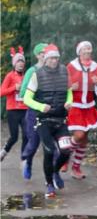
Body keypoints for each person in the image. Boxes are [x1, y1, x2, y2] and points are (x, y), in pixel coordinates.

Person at [22, 44, 74, 199]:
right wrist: (40, 106)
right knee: (49, 151)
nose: (54, 61)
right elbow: (26, 98)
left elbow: (70, 92)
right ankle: (49, 184)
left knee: (66, 150)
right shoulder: (36, 75)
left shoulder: (65, 71)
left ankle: (55, 171)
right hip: (43, 121)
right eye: (51, 58)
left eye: (56, 58)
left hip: (60, 120)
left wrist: (69, 102)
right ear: (45, 58)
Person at [66, 40, 97, 178]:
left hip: (89, 106)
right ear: (79, 52)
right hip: (75, 106)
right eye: (85, 49)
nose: (87, 51)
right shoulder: (71, 66)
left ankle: (76, 167)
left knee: (84, 140)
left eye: (89, 48)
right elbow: (63, 86)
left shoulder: (95, 67)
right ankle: (64, 155)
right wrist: (71, 88)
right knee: (79, 135)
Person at [18, 42, 48, 180]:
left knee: (51, 144)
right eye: (42, 53)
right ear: (37, 55)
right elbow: (23, 92)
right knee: (34, 142)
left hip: (49, 111)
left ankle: (54, 173)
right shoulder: (32, 71)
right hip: (33, 111)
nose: (45, 55)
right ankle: (27, 161)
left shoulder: (54, 70)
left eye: (46, 52)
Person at [0, 47, 28, 162]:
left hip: (25, 109)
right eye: (18, 62)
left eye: (22, 62)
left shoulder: (27, 76)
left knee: (27, 135)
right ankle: (4, 151)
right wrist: (13, 88)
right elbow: (1, 92)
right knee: (14, 137)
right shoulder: (10, 76)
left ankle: (24, 158)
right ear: (14, 64)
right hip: (13, 110)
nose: (20, 64)